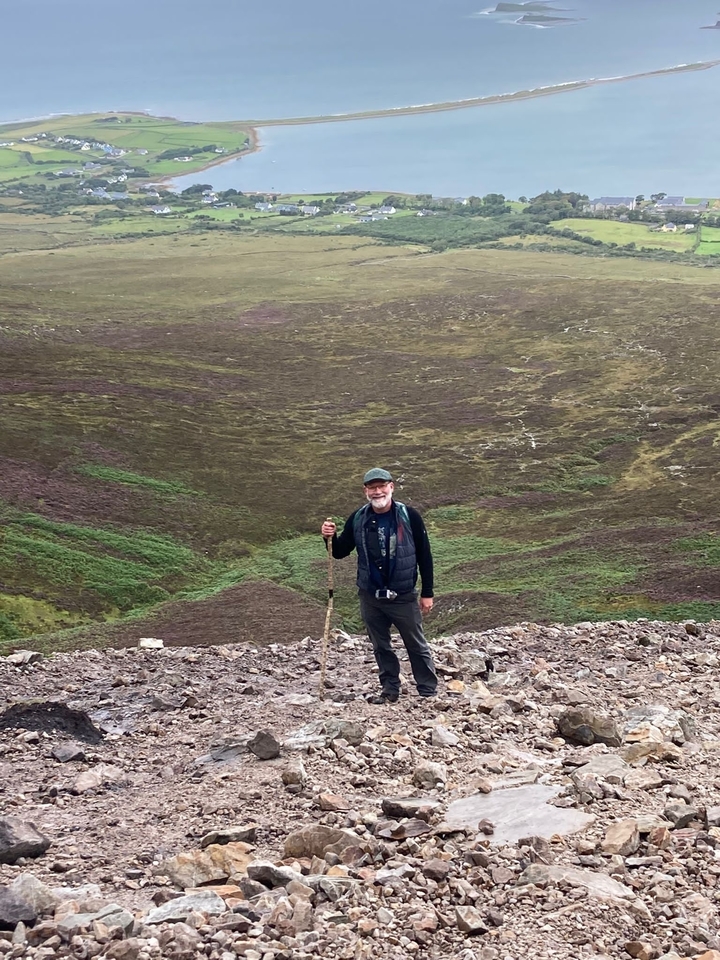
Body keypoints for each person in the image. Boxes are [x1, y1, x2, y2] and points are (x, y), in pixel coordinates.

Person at [321, 468, 438, 704]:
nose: (377, 491)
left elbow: (425, 555)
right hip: (370, 595)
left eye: (381, 486)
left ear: (391, 487)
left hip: (403, 595)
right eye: (372, 487)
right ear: (365, 491)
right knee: (380, 646)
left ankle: (428, 691)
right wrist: (328, 538)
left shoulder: (410, 516)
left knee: (415, 644)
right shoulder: (358, 517)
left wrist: (427, 593)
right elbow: (341, 551)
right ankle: (390, 690)